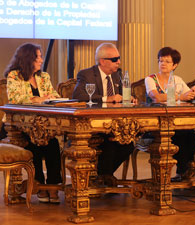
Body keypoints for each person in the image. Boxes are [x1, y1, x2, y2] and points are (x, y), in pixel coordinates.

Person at [4, 43, 62, 203]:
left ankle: (53, 185)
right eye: (38, 57)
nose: (41, 60)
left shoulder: (44, 77)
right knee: (34, 143)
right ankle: (39, 185)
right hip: (19, 125)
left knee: (53, 144)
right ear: (28, 58)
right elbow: (16, 99)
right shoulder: (14, 75)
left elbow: (54, 96)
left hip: (43, 124)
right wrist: (37, 99)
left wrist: (49, 99)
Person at [72, 43, 135, 186]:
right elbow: (78, 95)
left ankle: (103, 175)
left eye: (119, 58)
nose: (118, 62)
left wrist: (129, 98)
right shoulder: (87, 74)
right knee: (109, 142)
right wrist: (107, 99)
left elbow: (125, 94)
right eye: (115, 59)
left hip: (113, 124)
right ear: (102, 61)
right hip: (91, 125)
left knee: (128, 144)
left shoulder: (117, 75)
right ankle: (104, 177)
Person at [145, 47, 195, 181]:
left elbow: (188, 96)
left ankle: (185, 171)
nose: (163, 63)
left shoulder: (177, 80)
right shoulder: (151, 79)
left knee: (191, 134)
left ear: (175, 65)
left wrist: (193, 91)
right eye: (161, 60)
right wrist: (180, 97)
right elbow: (156, 97)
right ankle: (183, 171)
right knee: (179, 136)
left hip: (176, 121)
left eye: (167, 61)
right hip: (155, 123)